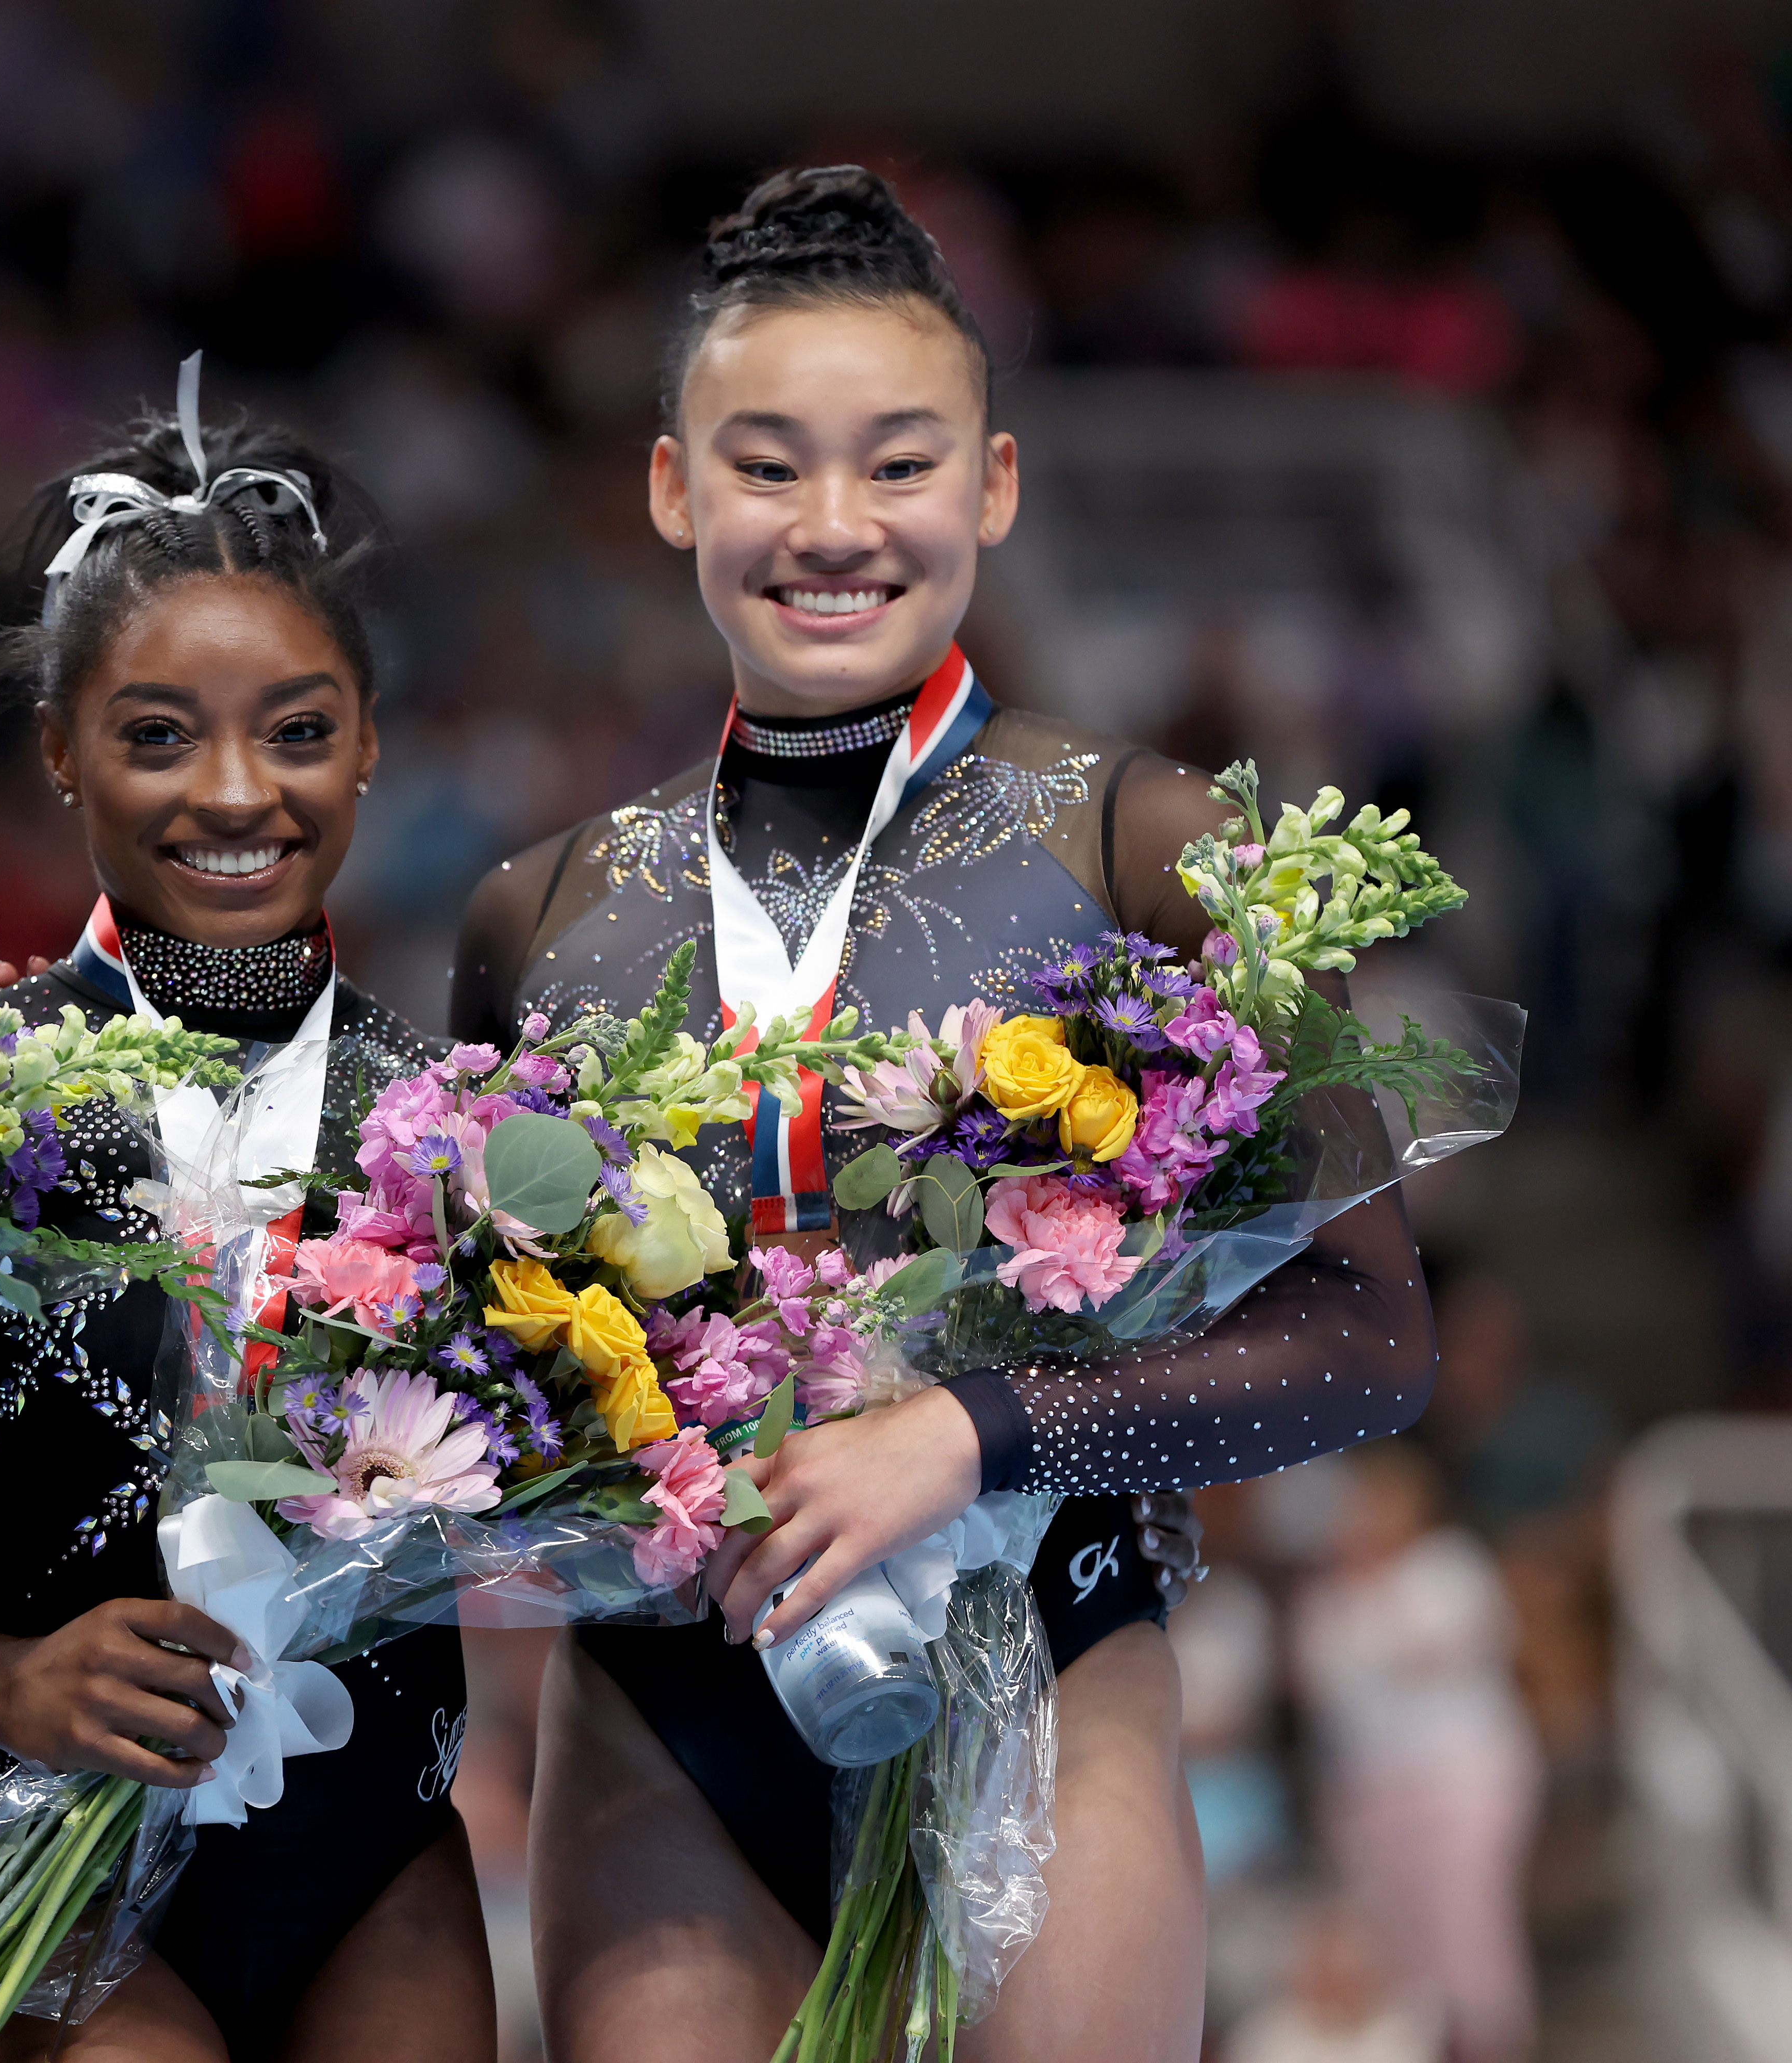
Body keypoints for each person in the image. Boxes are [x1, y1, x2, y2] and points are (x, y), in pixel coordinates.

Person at [451, 165, 1437, 2061]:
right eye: (766, 466)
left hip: (1052, 1662)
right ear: (672, 488)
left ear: (990, 483)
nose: (832, 525)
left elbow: (1369, 1338)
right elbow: (495, 1352)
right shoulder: (547, 908)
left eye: (897, 465)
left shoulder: (1149, 842)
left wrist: (970, 1428)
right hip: (670, 1706)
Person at [0, 374, 493, 2063]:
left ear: (372, 741)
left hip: (382, 1863)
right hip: (60, 1858)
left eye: (300, 731)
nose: (236, 792)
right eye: (158, 735)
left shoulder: (473, 1131)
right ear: (59, 750)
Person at [1292, 1443, 1538, 2063]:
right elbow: (1310, 1689)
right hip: (1370, 1784)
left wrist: (1373, 1593)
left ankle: (1492, 2044)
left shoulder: (1451, 1567)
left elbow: (1430, 1655)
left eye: (1373, 1504)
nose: (1359, 1519)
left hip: (1463, 1771)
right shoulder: (1322, 1599)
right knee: (1394, 1940)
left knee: (1467, 1925)